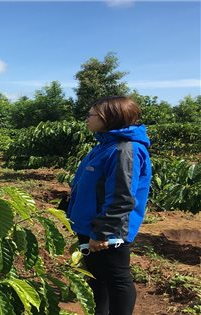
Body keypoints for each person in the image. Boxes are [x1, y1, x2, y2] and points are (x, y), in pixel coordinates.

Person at [67, 96, 152, 315]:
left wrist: (104, 232)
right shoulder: (105, 146)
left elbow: (121, 196)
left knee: (117, 279)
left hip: (107, 232)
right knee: (98, 278)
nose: (87, 119)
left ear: (110, 117)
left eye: (91, 114)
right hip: (90, 226)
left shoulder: (125, 150)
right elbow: (91, 186)